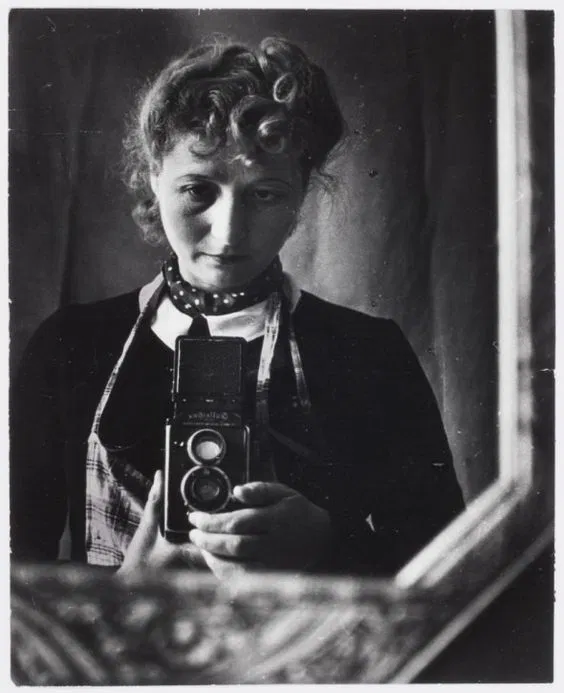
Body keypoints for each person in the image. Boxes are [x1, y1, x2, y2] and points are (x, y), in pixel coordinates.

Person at [10, 36, 464, 579]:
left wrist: (327, 546)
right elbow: (13, 581)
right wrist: (125, 592)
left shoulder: (370, 353)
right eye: (198, 191)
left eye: (265, 194)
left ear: (302, 192)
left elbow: (450, 573)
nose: (228, 234)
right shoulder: (69, 345)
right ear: (154, 176)